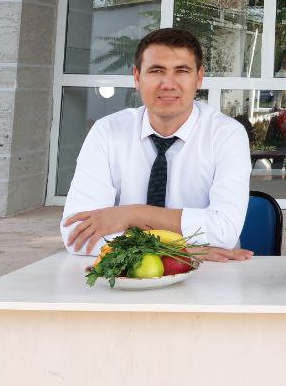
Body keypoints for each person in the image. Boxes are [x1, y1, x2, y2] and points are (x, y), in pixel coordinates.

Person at [60, 28, 252, 261]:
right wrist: (181, 249)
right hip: (128, 275)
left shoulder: (227, 134)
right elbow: (76, 234)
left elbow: (223, 233)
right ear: (137, 77)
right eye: (156, 70)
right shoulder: (107, 132)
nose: (168, 84)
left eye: (182, 71)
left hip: (210, 273)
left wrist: (131, 215)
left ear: (199, 77)